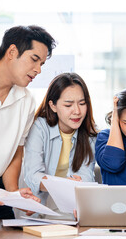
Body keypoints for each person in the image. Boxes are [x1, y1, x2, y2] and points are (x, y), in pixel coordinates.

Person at [0, 25, 56, 231]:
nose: (38, 70)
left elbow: (16, 153)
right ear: (11, 52)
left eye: (42, 64)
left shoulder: (26, 101)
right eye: (34, 59)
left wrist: (14, 194)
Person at [23, 72, 98, 218]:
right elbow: (32, 175)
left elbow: (86, 176)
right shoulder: (39, 127)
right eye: (68, 105)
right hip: (41, 209)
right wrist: (65, 185)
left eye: (82, 104)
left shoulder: (90, 132)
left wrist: (78, 183)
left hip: (73, 211)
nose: (77, 111)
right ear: (53, 105)